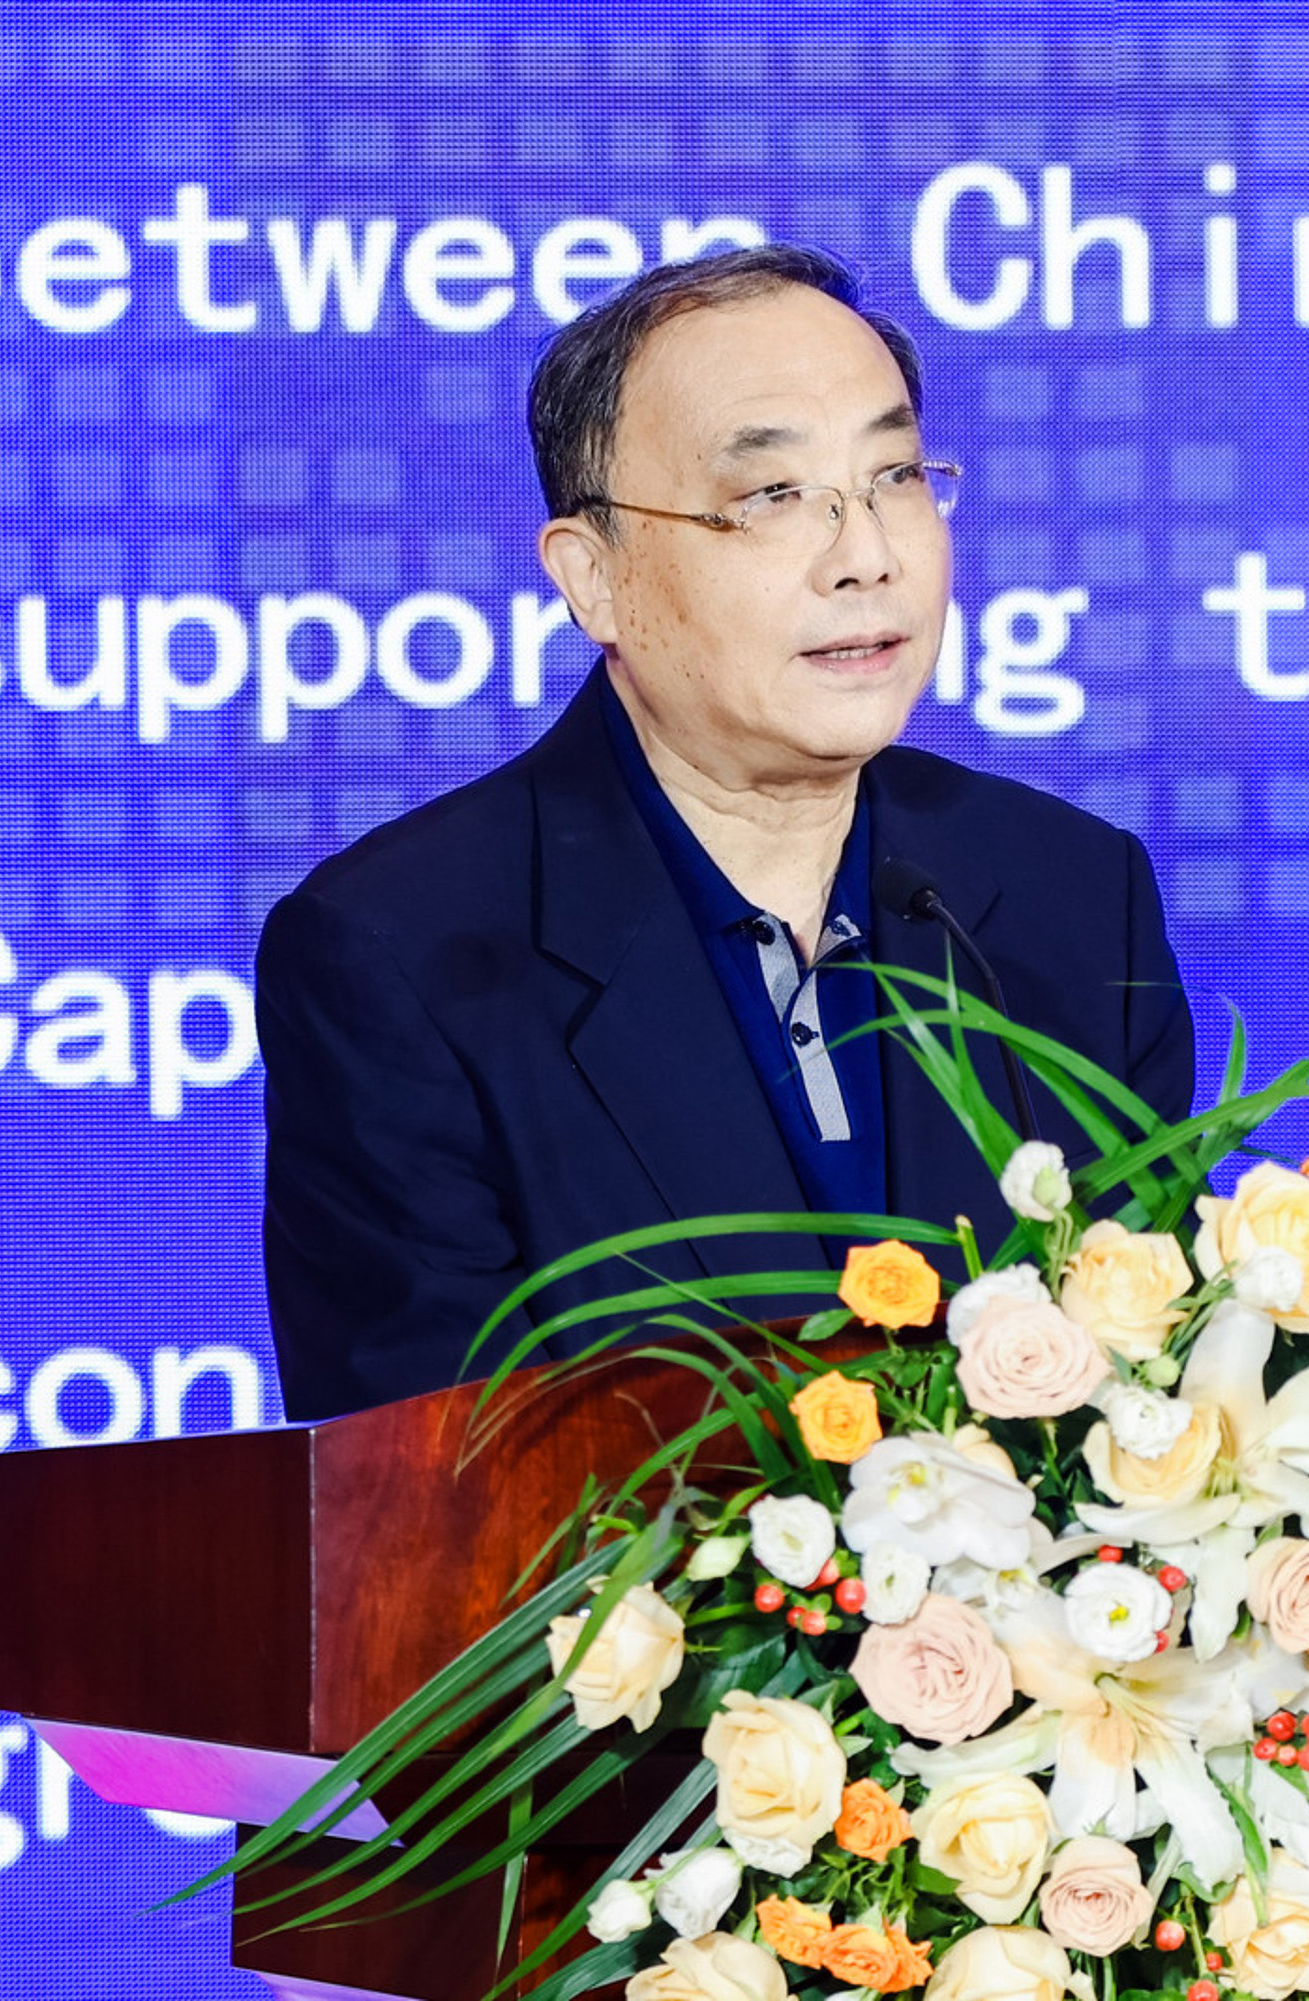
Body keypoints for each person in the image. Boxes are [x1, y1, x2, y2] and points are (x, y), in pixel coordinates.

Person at [255, 245, 1196, 1422]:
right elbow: (417, 1493)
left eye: (897, 475)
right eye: (771, 497)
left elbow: (1165, 1397)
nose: (867, 557)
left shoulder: (1073, 894)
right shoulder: (407, 957)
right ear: (594, 579)